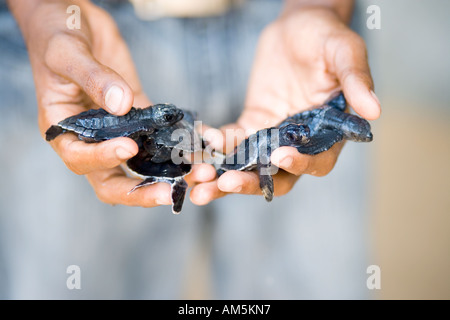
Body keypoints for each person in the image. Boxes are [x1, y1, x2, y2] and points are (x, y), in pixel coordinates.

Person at [2, 0, 380, 298]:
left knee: (311, 272)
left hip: (289, 26)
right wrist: (39, 8)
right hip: (85, 31)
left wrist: (320, 7)